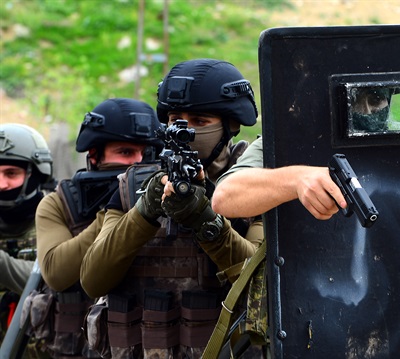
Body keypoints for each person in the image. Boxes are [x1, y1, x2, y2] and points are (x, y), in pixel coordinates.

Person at [80, 58, 262, 358]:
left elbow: (260, 288)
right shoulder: (133, 185)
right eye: (175, 119)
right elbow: (93, 279)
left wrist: (206, 220)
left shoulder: (255, 183)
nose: (183, 131)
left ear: (230, 126)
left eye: (199, 122)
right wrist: (145, 210)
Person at [31, 98, 164, 358]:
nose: (136, 163)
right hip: (77, 348)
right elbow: (56, 272)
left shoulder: (164, 197)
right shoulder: (59, 203)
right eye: (125, 152)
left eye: (146, 154)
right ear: (94, 155)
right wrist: (112, 212)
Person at [0, 123, 53, 343]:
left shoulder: (59, 219)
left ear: (35, 175)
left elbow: (54, 280)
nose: (1, 184)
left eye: (11, 173)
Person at [212, 135, 347, 221]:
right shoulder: (279, 141)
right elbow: (224, 198)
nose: (365, 110)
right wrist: (297, 179)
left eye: (369, 101)